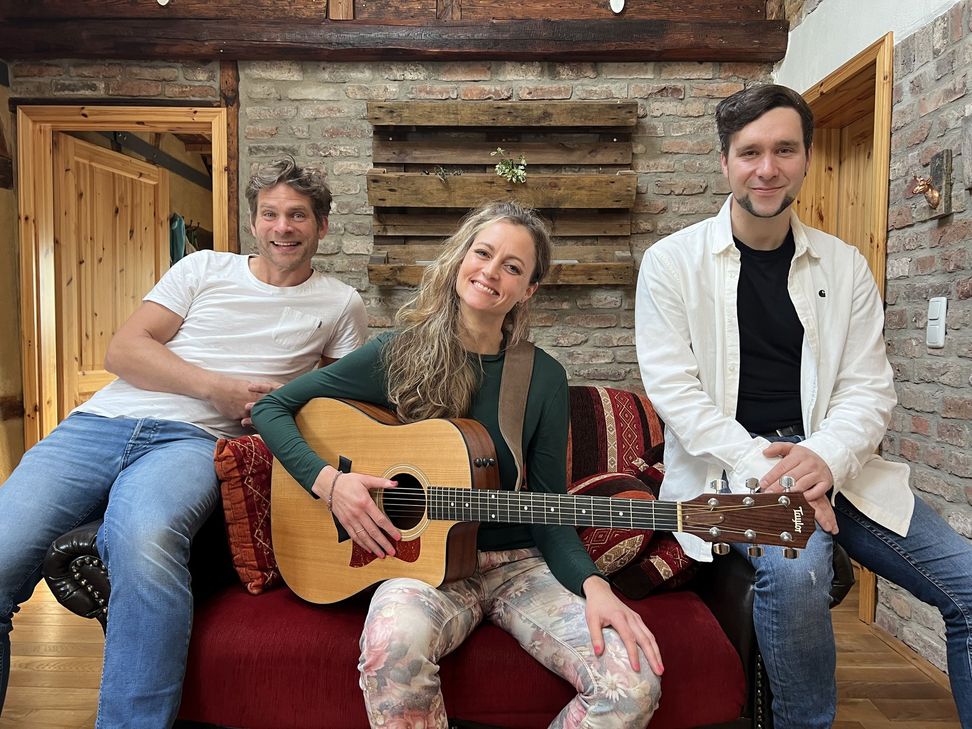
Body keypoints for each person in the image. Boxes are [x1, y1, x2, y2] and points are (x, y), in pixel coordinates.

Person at [635, 83, 972, 729]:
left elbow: (869, 386)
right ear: (725, 161)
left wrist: (824, 456)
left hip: (839, 466)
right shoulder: (670, 264)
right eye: (750, 152)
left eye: (784, 149)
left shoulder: (844, 266)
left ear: (807, 156)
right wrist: (778, 469)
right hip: (730, 469)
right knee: (798, 577)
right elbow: (676, 393)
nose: (768, 168)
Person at [252, 200, 663, 728]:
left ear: (528, 289)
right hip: (422, 568)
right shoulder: (398, 352)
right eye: (483, 253)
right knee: (390, 646)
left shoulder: (542, 377)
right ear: (460, 257)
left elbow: (548, 507)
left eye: (513, 267)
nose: (491, 272)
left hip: (518, 565)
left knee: (632, 681)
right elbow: (271, 407)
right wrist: (330, 483)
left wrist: (594, 586)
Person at [0, 157, 368, 728]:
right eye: (269, 214)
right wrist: (216, 388)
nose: (282, 227)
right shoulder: (202, 269)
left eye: (298, 215)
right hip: (97, 425)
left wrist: (278, 400)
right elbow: (123, 353)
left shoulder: (340, 304)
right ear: (253, 222)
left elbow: (341, 405)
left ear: (322, 225)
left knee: (142, 543)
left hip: (196, 444)